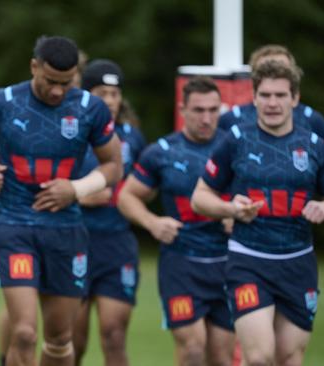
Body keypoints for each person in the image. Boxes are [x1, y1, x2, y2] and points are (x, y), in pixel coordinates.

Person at [0, 35, 123, 366]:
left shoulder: (91, 109)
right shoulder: (1, 102)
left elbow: (113, 166)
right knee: (23, 333)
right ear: (34, 66)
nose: (57, 91)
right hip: (15, 225)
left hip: (66, 230)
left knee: (60, 339)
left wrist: (76, 189)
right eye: (50, 81)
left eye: (65, 83)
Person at [191, 60, 324, 366]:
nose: (272, 103)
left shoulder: (316, 147)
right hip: (248, 261)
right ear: (253, 98)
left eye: (280, 95)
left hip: (298, 262)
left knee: (290, 357)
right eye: (265, 95)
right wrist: (230, 209)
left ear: (295, 98)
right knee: (259, 357)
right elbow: (200, 197)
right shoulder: (236, 140)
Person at [118, 77, 234, 366]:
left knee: (221, 356)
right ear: (182, 109)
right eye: (198, 110)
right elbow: (126, 196)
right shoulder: (162, 152)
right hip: (181, 265)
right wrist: (152, 222)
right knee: (193, 349)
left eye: (213, 110)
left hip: (229, 263)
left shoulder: (235, 147)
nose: (206, 118)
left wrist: (238, 216)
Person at [73, 59, 146, 366]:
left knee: (114, 335)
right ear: (87, 96)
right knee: (71, 342)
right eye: (103, 93)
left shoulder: (133, 138)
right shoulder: (69, 133)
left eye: (115, 94)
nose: (111, 101)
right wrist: (79, 195)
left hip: (117, 245)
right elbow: (40, 183)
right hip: (74, 242)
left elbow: (148, 185)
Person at [218, 44, 324, 138]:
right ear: (252, 77)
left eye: (283, 70)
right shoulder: (230, 119)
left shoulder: (313, 121)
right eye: (264, 71)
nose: (273, 75)